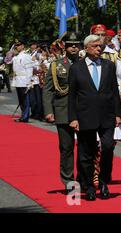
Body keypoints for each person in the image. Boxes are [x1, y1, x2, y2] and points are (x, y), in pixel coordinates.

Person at [68, 34, 121, 201]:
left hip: (107, 115)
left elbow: (114, 91)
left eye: (101, 45)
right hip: (85, 116)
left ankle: (104, 182)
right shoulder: (76, 68)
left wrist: (118, 114)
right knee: (86, 153)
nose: (100, 48)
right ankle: (89, 185)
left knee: (107, 148)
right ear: (86, 48)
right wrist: (73, 117)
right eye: (96, 46)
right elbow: (72, 95)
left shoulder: (109, 65)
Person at [43, 32, 81, 194]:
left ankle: (84, 178)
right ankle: (68, 180)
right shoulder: (56, 65)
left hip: (83, 111)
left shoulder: (85, 63)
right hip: (63, 111)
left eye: (76, 44)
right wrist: (49, 111)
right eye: (70, 44)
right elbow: (48, 90)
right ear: (64, 46)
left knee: (86, 147)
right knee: (66, 148)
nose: (74, 47)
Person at [11, 39, 33, 122]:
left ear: (23, 46)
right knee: (21, 99)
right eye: (16, 45)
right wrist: (11, 50)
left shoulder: (26, 56)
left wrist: (28, 82)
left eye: (19, 45)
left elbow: (29, 69)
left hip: (24, 80)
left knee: (25, 99)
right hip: (17, 80)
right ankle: (23, 115)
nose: (17, 47)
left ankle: (25, 116)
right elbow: (7, 60)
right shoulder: (16, 56)